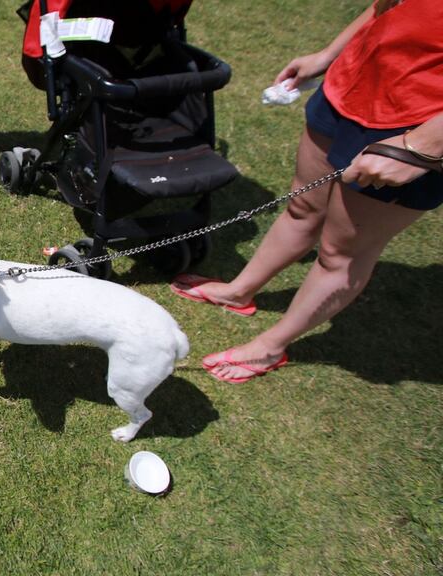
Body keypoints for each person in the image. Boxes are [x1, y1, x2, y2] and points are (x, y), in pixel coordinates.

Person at [169, 0, 443, 384]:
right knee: (302, 207)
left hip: (414, 125)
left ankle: (272, 346)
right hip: (351, 87)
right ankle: (238, 292)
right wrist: (330, 54)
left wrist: (423, 147)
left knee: (340, 252)